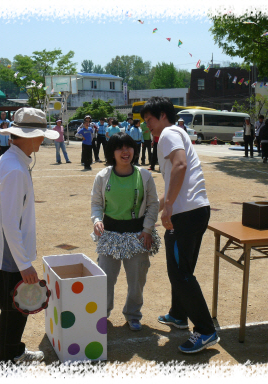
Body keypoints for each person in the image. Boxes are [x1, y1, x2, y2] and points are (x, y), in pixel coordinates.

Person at [141, 97, 219, 354]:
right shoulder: (175, 133)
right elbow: (175, 182)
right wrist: (153, 211)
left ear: (163, 115)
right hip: (195, 210)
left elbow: (180, 165)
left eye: (149, 120)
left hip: (186, 214)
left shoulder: (169, 133)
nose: (148, 126)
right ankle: (177, 314)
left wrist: (170, 207)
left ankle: (206, 330)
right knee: (182, 268)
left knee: (180, 273)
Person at [0, 107, 58, 367]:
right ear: (26, 136)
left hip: (8, 251)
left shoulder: (12, 160)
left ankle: (13, 353)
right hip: (10, 254)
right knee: (13, 310)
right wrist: (24, 264)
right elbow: (10, 223)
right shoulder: (15, 168)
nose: (42, 139)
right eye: (39, 135)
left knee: (15, 309)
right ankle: (7, 360)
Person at [91, 132, 160, 332]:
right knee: (105, 278)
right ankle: (102, 314)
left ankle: (133, 315)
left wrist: (147, 229)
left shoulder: (144, 175)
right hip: (109, 235)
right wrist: (97, 220)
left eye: (128, 147)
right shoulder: (103, 176)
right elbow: (96, 204)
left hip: (138, 235)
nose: (125, 152)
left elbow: (153, 204)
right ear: (112, 152)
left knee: (137, 280)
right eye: (119, 148)